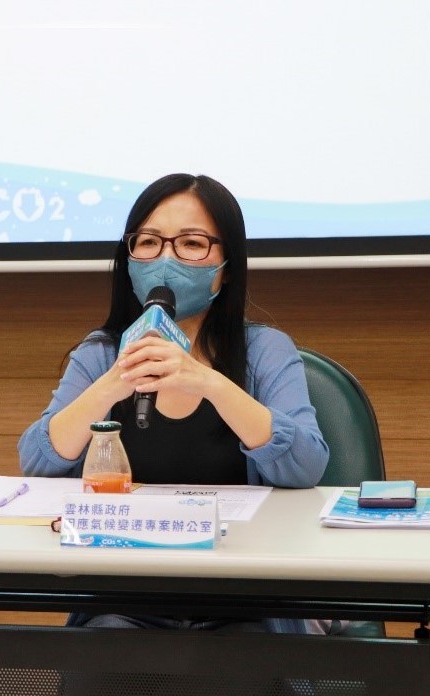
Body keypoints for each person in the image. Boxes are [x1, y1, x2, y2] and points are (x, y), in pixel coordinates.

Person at [18, 172, 330, 635]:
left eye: (191, 244)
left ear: (227, 266)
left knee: (245, 662)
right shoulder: (101, 353)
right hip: (127, 592)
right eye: (148, 242)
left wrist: (208, 382)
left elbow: (306, 465)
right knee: (105, 650)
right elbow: (37, 463)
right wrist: (113, 383)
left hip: (244, 594)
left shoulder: (265, 350)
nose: (165, 259)